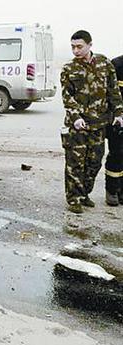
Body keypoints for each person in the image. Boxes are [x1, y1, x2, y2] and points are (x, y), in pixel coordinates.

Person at [60, 31, 123, 214]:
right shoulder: (68, 69)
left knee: (94, 162)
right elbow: (67, 97)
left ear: (90, 45)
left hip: (99, 124)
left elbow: (113, 91)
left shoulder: (105, 64)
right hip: (78, 125)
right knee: (75, 164)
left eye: (79, 46)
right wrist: (76, 117)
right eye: (73, 47)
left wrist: (119, 113)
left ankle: (85, 193)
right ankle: (74, 199)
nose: (76, 50)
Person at [105, 54, 123, 205]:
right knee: (116, 155)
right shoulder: (116, 64)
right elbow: (108, 93)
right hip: (118, 121)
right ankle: (112, 190)